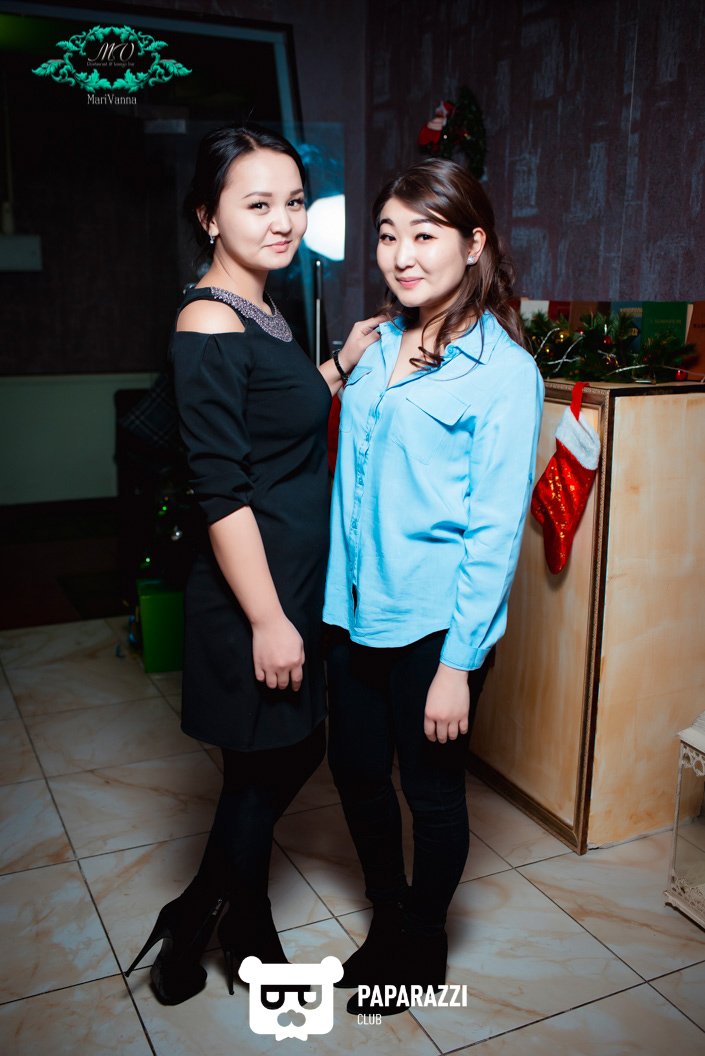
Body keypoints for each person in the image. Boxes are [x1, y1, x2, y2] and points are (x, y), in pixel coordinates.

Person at [126, 125, 382, 1005]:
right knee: (277, 755)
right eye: (257, 203)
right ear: (208, 216)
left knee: (274, 759)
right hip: (253, 589)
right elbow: (221, 489)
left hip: (294, 578)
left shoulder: (263, 311)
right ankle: (218, 918)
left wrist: (339, 363)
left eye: (294, 202)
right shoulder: (207, 319)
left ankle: (209, 914)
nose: (283, 221)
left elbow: (271, 415)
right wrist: (268, 620)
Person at [323, 158, 544, 1016]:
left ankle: (422, 939)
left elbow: (493, 533)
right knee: (354, 772)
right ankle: (387, 918)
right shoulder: (376, 345)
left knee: (432, 792)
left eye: (424, 234)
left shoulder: (504, 372)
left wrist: (458, 664)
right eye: (387, 235)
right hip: (351, 611)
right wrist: (338, 366)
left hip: (433, 628)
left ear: (473, 243)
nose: (401, 254)